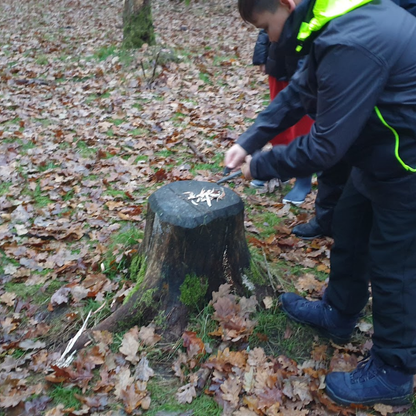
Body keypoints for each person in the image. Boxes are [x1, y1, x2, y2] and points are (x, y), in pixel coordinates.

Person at [225, 0, 416, 407]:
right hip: (381, 149)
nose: (270, 37)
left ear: (285, 6)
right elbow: (300, 91)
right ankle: (339, 313)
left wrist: (262, 165)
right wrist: (249, 140)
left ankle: (394, 371)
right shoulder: (326, 20)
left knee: (394, 264)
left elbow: (325, 145)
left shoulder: (350, 39)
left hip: (407, 159)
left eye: (267, 27)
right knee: (348, 226)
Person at [252, 31, 314, 206]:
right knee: (279, 120)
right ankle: (282, 167)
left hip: (303, 64)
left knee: (302, 125)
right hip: (278, 61)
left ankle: (303, 177)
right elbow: (267, 20)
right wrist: (262, 54)